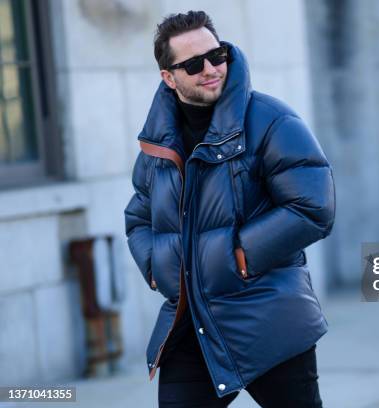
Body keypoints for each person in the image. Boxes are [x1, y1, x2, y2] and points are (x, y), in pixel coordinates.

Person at [124, 11, 335, 407]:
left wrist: (239, 255)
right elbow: (138, 217)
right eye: (192, 64)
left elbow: (312, 206)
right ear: (169, 77)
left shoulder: (271, 120)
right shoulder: (158, 143)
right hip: (190, 326)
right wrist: (156, 267)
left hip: (269, 320)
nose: (210, 69)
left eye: (216, 55)